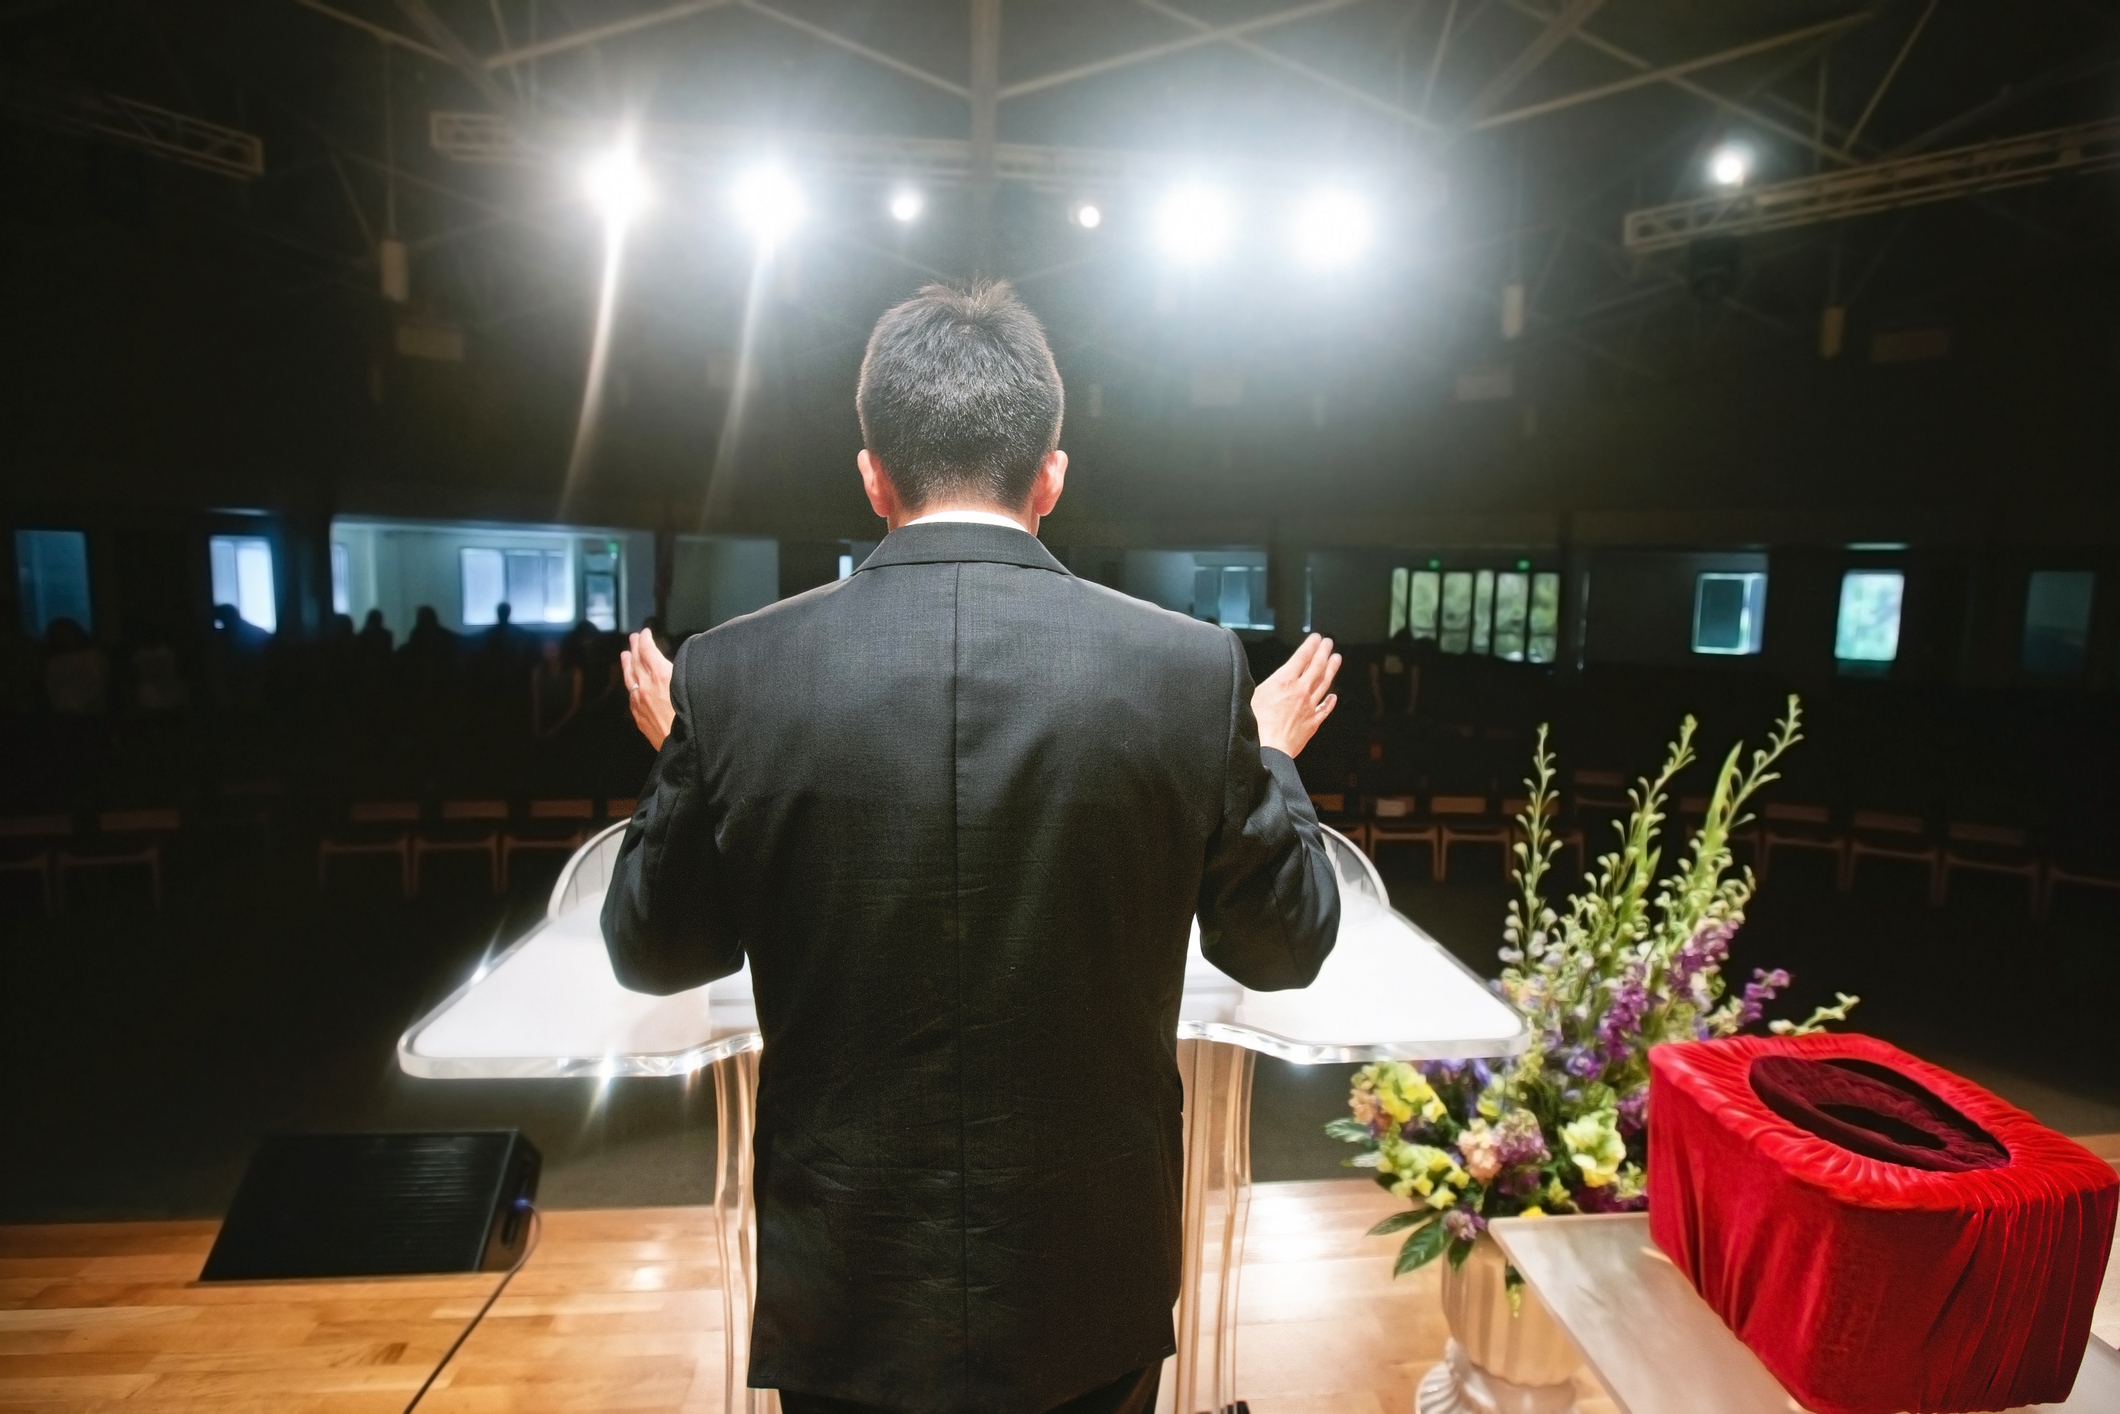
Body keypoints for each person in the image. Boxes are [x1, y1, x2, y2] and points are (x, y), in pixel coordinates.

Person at [603, 280, 1342, 1414]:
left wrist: (687, 755)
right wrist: (1267, 752)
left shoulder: (736, 673)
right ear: (1050, 474)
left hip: (845, 1274)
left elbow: (655, 947)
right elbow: (1281, 943)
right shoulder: (1186, 672)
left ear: (871, 475)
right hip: (1085, 1273)